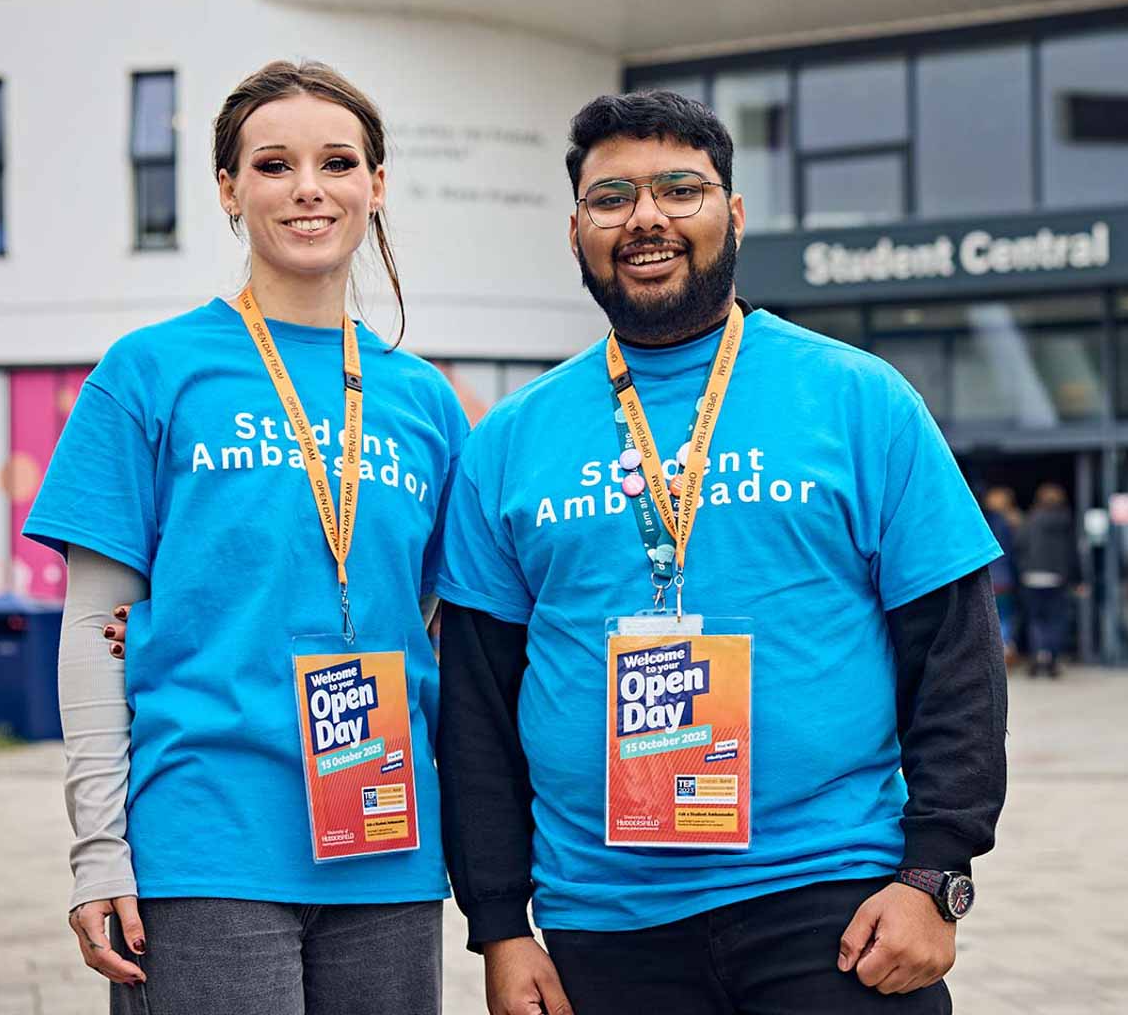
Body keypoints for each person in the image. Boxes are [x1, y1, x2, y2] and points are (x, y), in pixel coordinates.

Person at [435, 90, 1006, 1015]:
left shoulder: (859, 398)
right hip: (601, 925)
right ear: (576, 228)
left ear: (732, 216)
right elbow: (475, 708)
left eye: (679, 189)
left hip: (835, 906)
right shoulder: (507, 441)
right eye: (611, 196)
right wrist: (499, 925)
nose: (646, 217)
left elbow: (957, 654)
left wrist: (937, 875)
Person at [22, 61, 467, 1013]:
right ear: (229, 188)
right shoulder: (150, 373)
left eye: (338, 162)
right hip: (205, 842)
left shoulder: (426, 401)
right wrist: (98, 849)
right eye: (274, 164)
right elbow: (92, 628)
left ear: (375, 186)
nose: (309, 188)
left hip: (385, 843)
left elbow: (436, 622)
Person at [1014, 483, 1081, 678]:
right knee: (1056, 620)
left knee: (1036, 620)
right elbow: (1072, 553)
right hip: (1056, 578)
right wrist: (1077, 578)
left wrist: (1022, 570)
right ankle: (1051, 658)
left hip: (1031, 577)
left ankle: (1037, 655)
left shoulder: (1029, 520)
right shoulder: (1066, 522)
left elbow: (1018, 547)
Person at [980, 486, 1020, 652]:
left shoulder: (980, 521)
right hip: (1004, 578)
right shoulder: (1012, 523)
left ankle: (992, 651)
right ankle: (1004, 648)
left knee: (986, 617)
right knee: (1004, 615)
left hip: (984, 577)